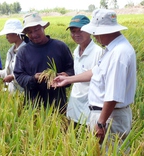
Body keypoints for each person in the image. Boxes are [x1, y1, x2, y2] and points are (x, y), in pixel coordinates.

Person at [52, 9, 136, 143]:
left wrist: (101, 123)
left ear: (106, 30)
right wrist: (67, 79)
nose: (94, 36)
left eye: (95, 32)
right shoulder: (112, 50)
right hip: (105, 115)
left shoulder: (119, 54)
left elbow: (113, 94)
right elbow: (94, 71)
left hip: (109, 117)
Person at [13, 12, 74, 113]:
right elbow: (19, 76)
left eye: (37, 29)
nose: (34, 34)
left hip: (58, 104)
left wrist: (67, 75)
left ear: (43, 28)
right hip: (33, 105)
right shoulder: (23, 52)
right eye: (30, 32)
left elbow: (72, 69)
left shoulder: (60, 47)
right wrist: (34, 78)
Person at [65, 15, 103, 127]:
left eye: (81, 30)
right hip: (74, 105)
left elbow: (97, 76)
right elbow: (79, 74)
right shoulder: (76, 51)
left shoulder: (99, 52)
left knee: (89, 141)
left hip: (90, 108)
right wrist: (67, 76)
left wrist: (68, 79)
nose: (76, 34)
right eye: (73, 31)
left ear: (90, 30)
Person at [0, 19, 26, 93]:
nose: (6, 37)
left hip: (22, 92)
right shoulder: (10, 51)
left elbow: (28, 72)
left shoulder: (26, 50)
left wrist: (13, 77)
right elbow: (8, 71)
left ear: (16, 33)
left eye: (7, 34)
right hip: (10, 92)